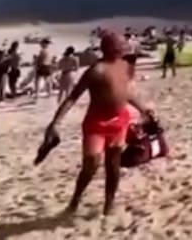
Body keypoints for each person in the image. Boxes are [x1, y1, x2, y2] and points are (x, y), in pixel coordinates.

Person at [44, 30, 157, 217]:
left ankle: (109, 205)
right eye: (121, 46)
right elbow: (73, 97)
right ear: (110, 49)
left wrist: (145, 109)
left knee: (113, 164)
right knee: (91, 164)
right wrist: (55, 122)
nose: (124, 49)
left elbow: (127, 93)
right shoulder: (95, 71)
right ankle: (75, 199)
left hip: (119, 121)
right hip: (96, 123)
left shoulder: (124, 67)